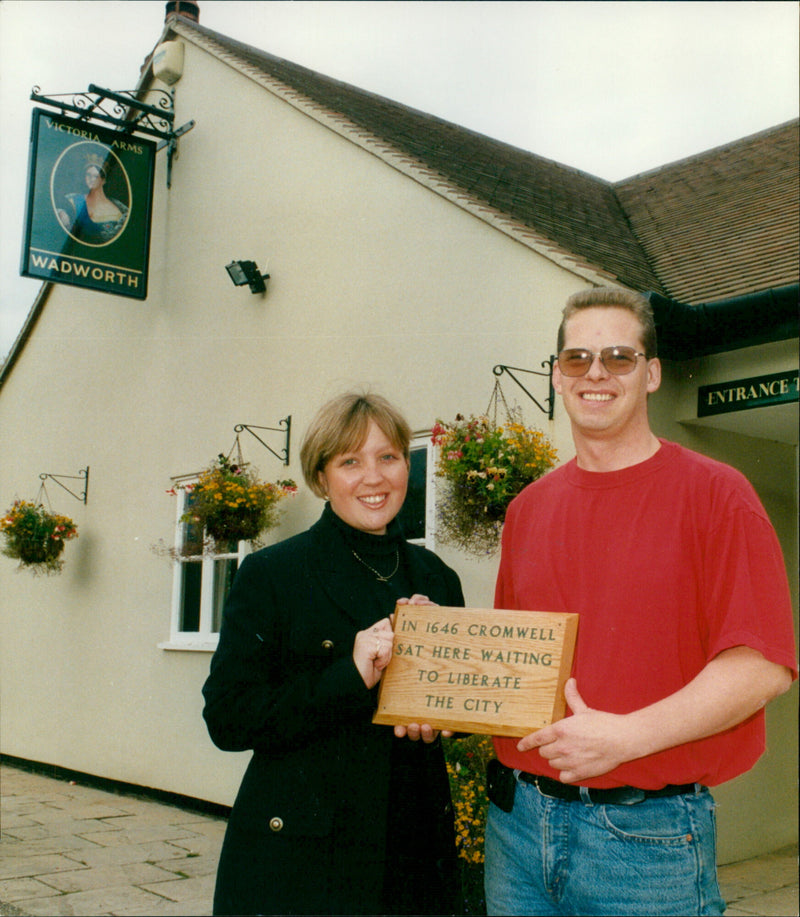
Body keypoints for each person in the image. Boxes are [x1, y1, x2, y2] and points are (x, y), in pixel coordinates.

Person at [483, 287, 796, 916]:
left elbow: (763, 665)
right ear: (556, 375)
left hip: (645, 841)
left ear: (651, 374)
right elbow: (517, 665)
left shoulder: (718, 495)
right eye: (577, 359)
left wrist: (625, 737)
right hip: (515, 830)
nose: (595, 374)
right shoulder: (527, 510)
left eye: (618, 357)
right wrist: (428, 653)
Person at [202, 392, 464, 916]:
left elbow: (449, 711)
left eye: (388, 457)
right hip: (304, 863)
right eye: (350, 461)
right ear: (322, 478)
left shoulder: (436, 577)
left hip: (411, 858)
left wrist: (442, 711)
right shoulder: (274, 575)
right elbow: (227, 720)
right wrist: (348, 673)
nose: (374, 477)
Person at [56, 153, 128, 244]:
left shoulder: (120, 210)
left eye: (95, 176)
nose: (91, 179)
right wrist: (61, 212)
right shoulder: (73, 200)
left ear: (103, 180)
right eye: (88, 175)